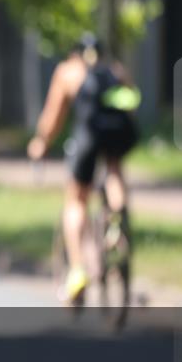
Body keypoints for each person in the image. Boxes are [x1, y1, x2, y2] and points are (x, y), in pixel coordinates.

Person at [27, 33, 140, 303]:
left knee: (76, 200)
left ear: (74, 52)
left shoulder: (67, 71)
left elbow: (53, 117)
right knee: (114, 168)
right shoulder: (115, 70)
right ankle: (116, 225)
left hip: (88, 138)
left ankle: (77, 271)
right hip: (120, 134)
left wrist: (41, 143)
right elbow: (132, 105)